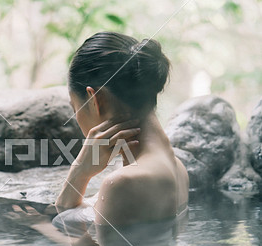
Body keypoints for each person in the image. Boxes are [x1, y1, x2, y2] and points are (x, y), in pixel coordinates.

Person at [54, 31, 189, 228]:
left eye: (75, 108)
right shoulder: (177, 168)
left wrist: (79, 172)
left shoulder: (124, 183)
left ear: (94, 100)